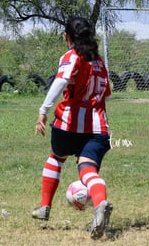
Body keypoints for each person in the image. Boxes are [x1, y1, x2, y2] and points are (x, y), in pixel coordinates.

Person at [32, 17, 113, 240]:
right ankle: (100, 205)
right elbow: (107, 93)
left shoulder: (72, 56)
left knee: (56, 157)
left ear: (67, 37)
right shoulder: (99, 63)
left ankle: (44, 207)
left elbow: (61, 81)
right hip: (98, 128)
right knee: (88, 170)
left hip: (68, 125)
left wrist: (43, 110)